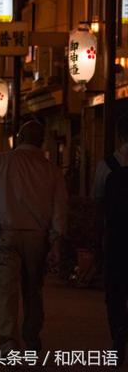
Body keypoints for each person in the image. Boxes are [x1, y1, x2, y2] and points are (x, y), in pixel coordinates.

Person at [0, 121, 67, 354]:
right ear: (41, 140)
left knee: (6, 289)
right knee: (33, 287)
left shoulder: (1, 161)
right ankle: (32, 335)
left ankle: (8, 339)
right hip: (37, 236)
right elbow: (60, 208)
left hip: (6, 233)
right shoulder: (51, 169)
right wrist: (56, 239)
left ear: (19, 137)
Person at [94, 113, 128, 365]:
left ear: (119, 134)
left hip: (117, 236)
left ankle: (118, 334)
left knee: (115, 290)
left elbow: (97, 202)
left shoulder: (107, 165)